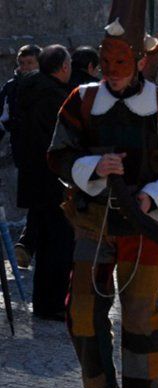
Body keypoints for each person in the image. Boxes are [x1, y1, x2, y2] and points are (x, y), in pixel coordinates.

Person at [47, 1, 158, 388]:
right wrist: (94, 166)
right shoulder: (82, 99)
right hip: (93, 222)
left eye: (120, 61)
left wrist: (151, 199)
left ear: (139, 61)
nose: (111, 71)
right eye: (105, 61)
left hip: (144, 227)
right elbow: (58, 154)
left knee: (140, 318)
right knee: (81, 314)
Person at [15, 44, 74, 320]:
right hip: (53, 179)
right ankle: (53, 305)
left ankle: (43, 303)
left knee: (47, 242)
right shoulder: (56, 99)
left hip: (32, 176)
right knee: (59, 243)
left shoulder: (25, 89)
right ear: (62, 68)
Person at [0, 44, 42, 269]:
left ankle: (27, 244)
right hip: (24, 154)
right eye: (22, 63)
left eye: (30, 63)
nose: (25, 68)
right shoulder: (12, 87)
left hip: (44, 154)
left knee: (40, 200)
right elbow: (2, 118)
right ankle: (27, 244)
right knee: (36, 201)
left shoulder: (46, 86)